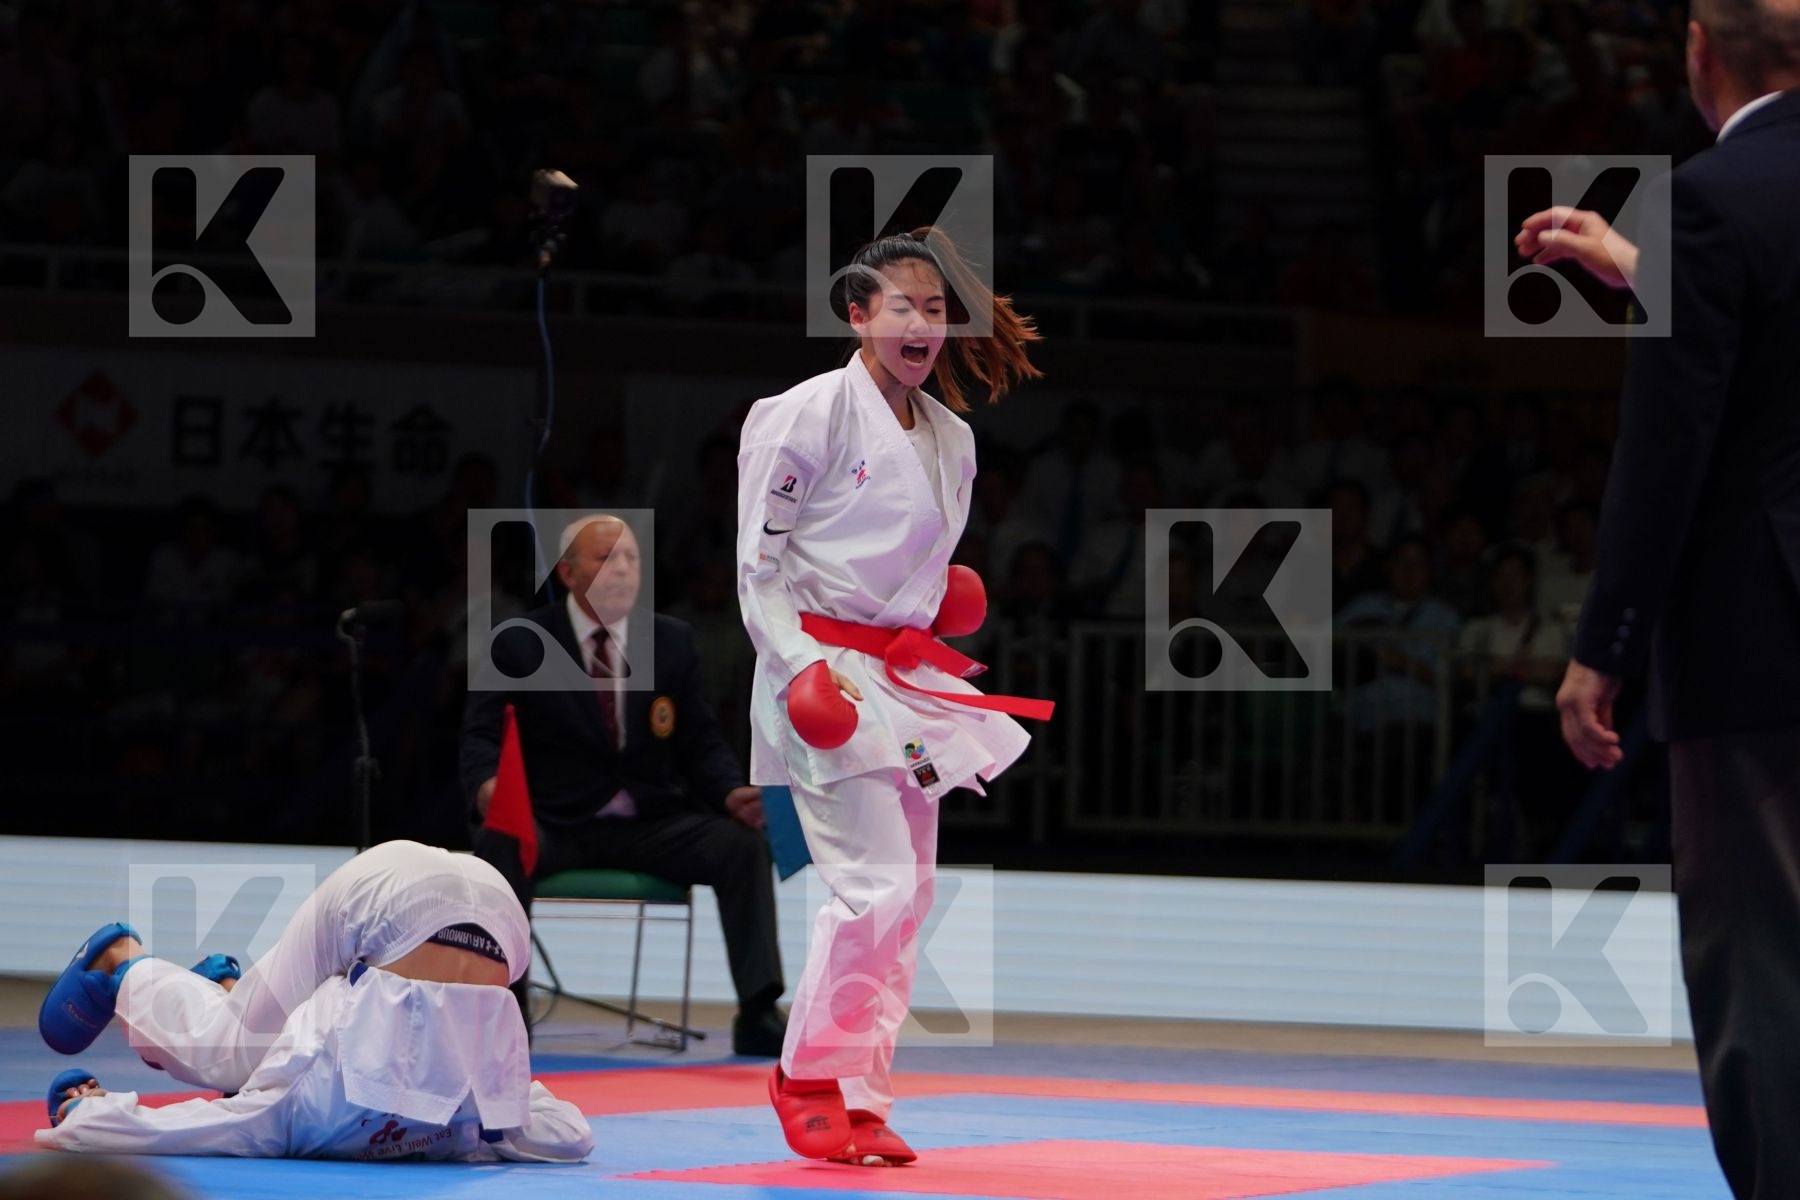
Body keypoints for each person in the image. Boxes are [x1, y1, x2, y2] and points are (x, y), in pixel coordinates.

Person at [1517, 8, 1800, 1194]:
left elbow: (1667, 446)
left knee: (1767, 955)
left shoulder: (1705, 197)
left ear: (1699, 51)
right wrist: (1649, 270)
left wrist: (1605, 645)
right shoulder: (1704, 222)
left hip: (1763, 636)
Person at [737, 227, 1050, 1166]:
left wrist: (934, 600)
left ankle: (865, 1094)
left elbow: (919, 562)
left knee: (908, 895)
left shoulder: (951, 438)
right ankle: (805, 1077)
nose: (923, 323)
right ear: (858, 314)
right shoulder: (803, 414)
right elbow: (759, 567)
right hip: (822, 673)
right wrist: (799, 669)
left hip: (902, 682)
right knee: (870, 886)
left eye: (936, 309)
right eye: (903, 306)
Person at [35, 840, 591, 1163]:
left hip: (487, 917)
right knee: (230, 1052)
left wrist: (496, 1136)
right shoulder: (311, 1105)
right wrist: (90, 1115)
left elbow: (570, 1135)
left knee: (245, 1052)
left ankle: (222, 991)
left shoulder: (482, 1105)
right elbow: (200, 1126)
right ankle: (122, 966)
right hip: (426, 905)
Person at [463, 513, 787, 1056]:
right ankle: (506, 1010)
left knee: (740, 847)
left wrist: (731, 791)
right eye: (606, 558)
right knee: (500, 844)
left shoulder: (670, 640)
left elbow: (700, 741)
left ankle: (758, 1011)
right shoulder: (520, 643)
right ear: (568, 573)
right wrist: (488, 787)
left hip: (649, 821)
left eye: (632, 559)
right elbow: (479, 736)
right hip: (555, 820)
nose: (623, 570)